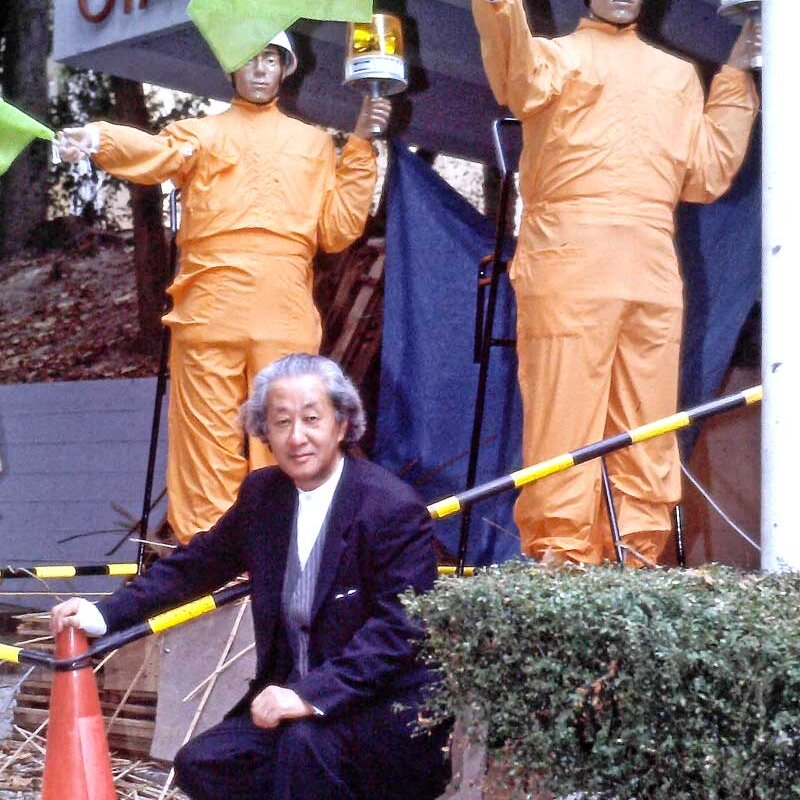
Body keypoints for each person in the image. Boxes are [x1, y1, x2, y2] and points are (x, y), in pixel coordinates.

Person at [50, 353, 451, 800]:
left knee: (303, 747)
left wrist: (310, 696)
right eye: (281, 422)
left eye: (311, 419)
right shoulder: (264, 495)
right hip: (294, 706)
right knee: (203, 764)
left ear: (341, 425)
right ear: (264, 433)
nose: (296, 437)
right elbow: (197, 564)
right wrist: (103, 614)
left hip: (383, 707)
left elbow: (401, 628)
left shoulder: (391, 507)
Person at [57, 33, 392, 543]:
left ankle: (282, 551)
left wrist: (362, 145)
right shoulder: (199, 134)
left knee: (289, 433)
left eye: (270, 59)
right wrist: (98, 139)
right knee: (205, 443)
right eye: (248, 58)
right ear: (232, 68)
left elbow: (338, 230)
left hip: (283, 312)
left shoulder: (315, 145)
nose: (259, 69)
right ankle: (208, 558)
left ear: (286, 69)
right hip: (209, 311)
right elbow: (154, 154)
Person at [472, 0, 759, 566]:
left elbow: (706, 174)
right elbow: (514, 74)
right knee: (565, 420)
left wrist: (736, 71)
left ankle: (637, 558)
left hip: (651, 273)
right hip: (568, 266)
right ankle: (563, 559)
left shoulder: (677, 76)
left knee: (647, 429)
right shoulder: (555, 59)